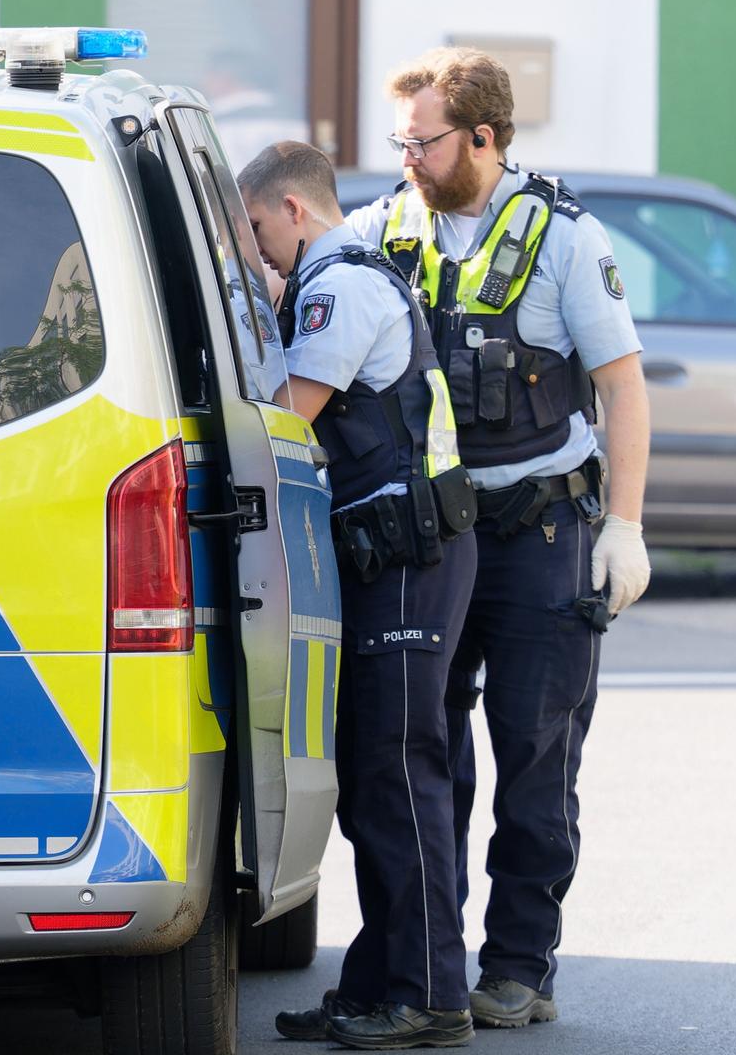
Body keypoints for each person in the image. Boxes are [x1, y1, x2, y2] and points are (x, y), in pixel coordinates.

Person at [344, 47, 651, 1029]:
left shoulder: (562, 237)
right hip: (427, 537)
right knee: (416, 753)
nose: (408, 159)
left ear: (483, 136)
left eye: (423, 141)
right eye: (400, 140)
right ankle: (421, 964)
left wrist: (630, 529)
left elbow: (623, 385)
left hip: (539, 531)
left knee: (533, 756)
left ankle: (519, 964)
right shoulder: (379, 228)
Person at [241, 140, 481, 1049]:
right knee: (372, 782)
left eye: (261, 229)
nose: (262, 249)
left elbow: (284, 415)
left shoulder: (339, 282)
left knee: (399, 777)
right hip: (392, 557)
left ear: (293, 210)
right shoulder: (340, 273)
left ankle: (430, 996)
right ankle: (380, 983)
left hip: (410, 559)